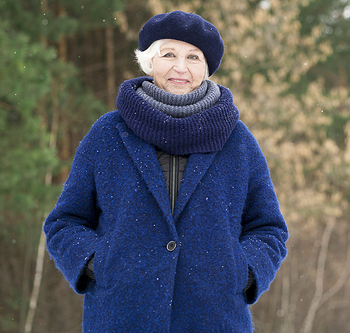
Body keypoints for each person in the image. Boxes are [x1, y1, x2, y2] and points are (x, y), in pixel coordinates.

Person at [44, 10, 288, 332]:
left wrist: (243, 272)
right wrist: (97, 264)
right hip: (120, 318)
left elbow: (268, 228)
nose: (181, 67)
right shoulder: (108, 134)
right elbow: (65, 222)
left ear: (207, 68)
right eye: (169, 54)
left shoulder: (238, 141)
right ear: (148, 62)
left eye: (193, 57)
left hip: (215, 319)